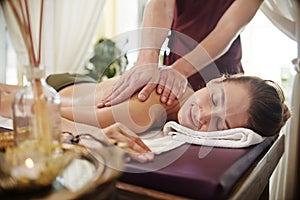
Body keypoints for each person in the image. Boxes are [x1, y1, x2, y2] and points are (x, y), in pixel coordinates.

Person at [0, 74, 291, 162]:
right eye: (215, 100)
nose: (203, 114)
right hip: (64, 87)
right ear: (216, 80)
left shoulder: (176, 100)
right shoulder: (147, 110)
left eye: (220, 125)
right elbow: (37, 108)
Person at [98, 0, 264, 108]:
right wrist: (146, 60)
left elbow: (228, 28)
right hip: (173, 67)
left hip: (220, 79)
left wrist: (180, 70)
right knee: (141, 107)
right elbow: (161, 5)